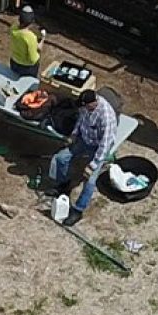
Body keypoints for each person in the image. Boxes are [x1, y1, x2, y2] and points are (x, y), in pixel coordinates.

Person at [45, 89, 119, 226]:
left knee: (90, 181)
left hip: (98, 147)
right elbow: (80, 120)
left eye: (86, 106)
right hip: (84, 140)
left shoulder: (106, 117)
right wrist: (73, 135)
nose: (84, 108)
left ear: (94, 103)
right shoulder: (86, 108)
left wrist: (93, 165)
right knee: (61, 158)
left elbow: (105, 144)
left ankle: (78, 210)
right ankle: (63, 185)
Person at [9, 6, 44, 79]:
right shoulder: (30, 37)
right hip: (27, 68)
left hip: (14, 62)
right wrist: (43, 37)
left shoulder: (13, 28)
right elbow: (32, 59)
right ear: (31, 21)